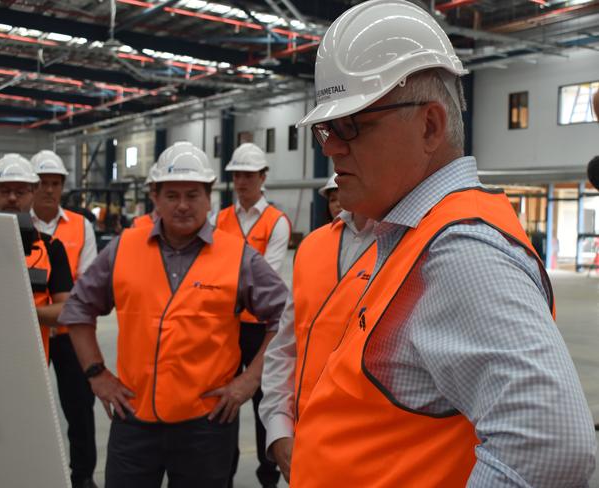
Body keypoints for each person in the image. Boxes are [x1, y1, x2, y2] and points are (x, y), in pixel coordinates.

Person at [289, 1, 596, 486]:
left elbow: (551, 447)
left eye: (350, 126)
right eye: (326, 129)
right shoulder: (414, 236)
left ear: (430, 125)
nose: (329, 147)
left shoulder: (458, 252)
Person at [58, 141, 288, 488]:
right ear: (155, 197)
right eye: (172, 195)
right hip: (134, 419)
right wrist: (97, 375)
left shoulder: (237, 257)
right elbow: (77, 308)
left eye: (193, 194)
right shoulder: (124, 247)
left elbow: (286, 317)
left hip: (206, 425)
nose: (182, 205)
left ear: (208, 196)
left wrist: (249, 381)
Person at [259, 173, 376, 482]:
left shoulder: (414, 244)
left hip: (374, 459)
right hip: (306, 445)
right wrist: (278, 426)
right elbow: (286, 345)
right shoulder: (312, 247)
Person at [215, 142, 291, 488]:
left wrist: (223, 286)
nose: (242, 181)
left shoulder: (277, 223)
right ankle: (223, 471)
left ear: (263, 177)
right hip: (227, 328)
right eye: (237, 175)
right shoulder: (220, 220)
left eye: (248, 175)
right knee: (224, 400)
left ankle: (267, 475)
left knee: (265, 401)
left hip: (264, 330)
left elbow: (269, 280)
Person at [30, 150, 99, 488]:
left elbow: (88, 280)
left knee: (80, 407)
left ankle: (82, 475)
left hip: (71, 334)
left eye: (55, 183)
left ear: (62, 187)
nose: (49, 189)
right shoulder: (18, 225)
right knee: (28, 404)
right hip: (29, 334)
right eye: (42, 183)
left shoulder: (81, 226)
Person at [0, 153, 73, 363]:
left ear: (33, 193)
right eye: (5, 190)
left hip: (29, 363)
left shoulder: (52, 248)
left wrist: (27, 314)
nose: (12, 198)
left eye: (21, 191)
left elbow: (67, 309)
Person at [132, 162, 160, 228]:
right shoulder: (138, 225)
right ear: (150, 194)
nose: (157, 195)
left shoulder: (184, 226)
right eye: (155, 190)